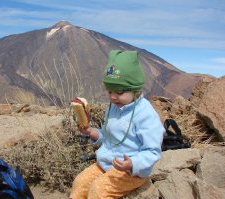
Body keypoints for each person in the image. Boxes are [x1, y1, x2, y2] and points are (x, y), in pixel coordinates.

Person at [70, 50, 165, 199]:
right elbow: (108, 138)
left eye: (119, 92)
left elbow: (153, 151)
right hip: (106, 164)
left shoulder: (146, 114)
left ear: (135, 89)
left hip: (131, 172)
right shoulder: (114, 107)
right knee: (80, 183)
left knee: (98, 191)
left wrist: (132, 163)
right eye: (109, 91)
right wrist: (90, 132)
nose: (113, 97)